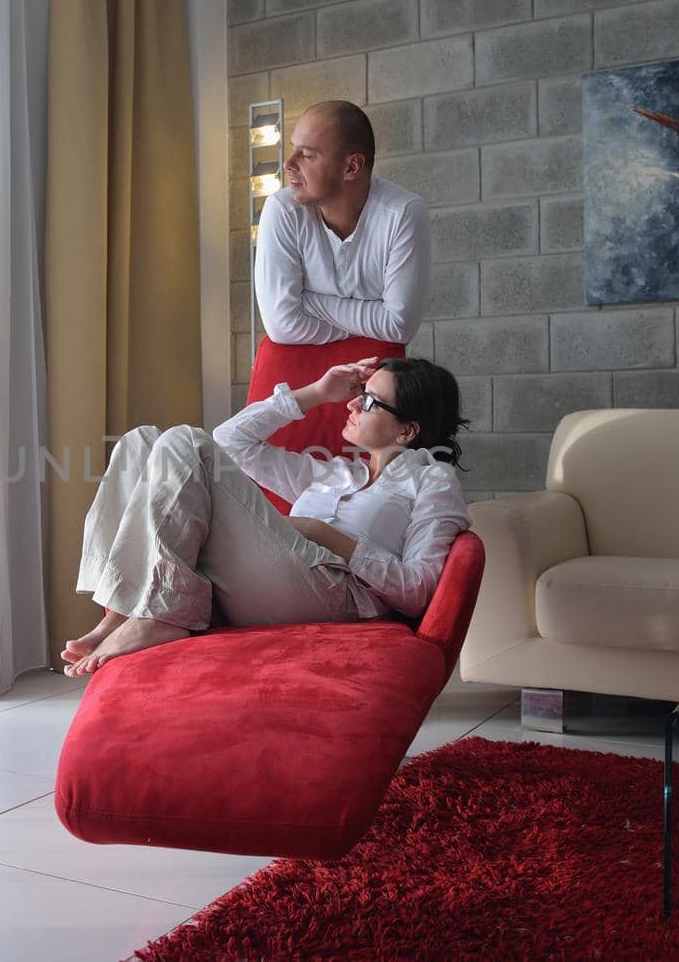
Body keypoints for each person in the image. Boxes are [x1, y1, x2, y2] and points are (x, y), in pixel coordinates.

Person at [61, 356, 470, 676]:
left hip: (337, 597)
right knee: (141, 442)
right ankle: (122, 612)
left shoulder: (432, 482)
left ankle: (161, 613)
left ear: (406, 432)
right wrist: (314, 392)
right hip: (279, 581)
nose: (351, 403)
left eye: (368, 400)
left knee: (188, 441)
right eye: (358, 392)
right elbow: (230, 442)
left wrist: (321, 532)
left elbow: (419, 590)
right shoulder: (333, 471)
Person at [253, 100, 430, 346]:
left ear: (351, 166)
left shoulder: (403, 214)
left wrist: (307, 301)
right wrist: (374, 323)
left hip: (376, 379)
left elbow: (399, 326)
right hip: (299, 379)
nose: (288, 163)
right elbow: (281, 326)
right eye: (293, 149)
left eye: (306, 154)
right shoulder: (282, 210)